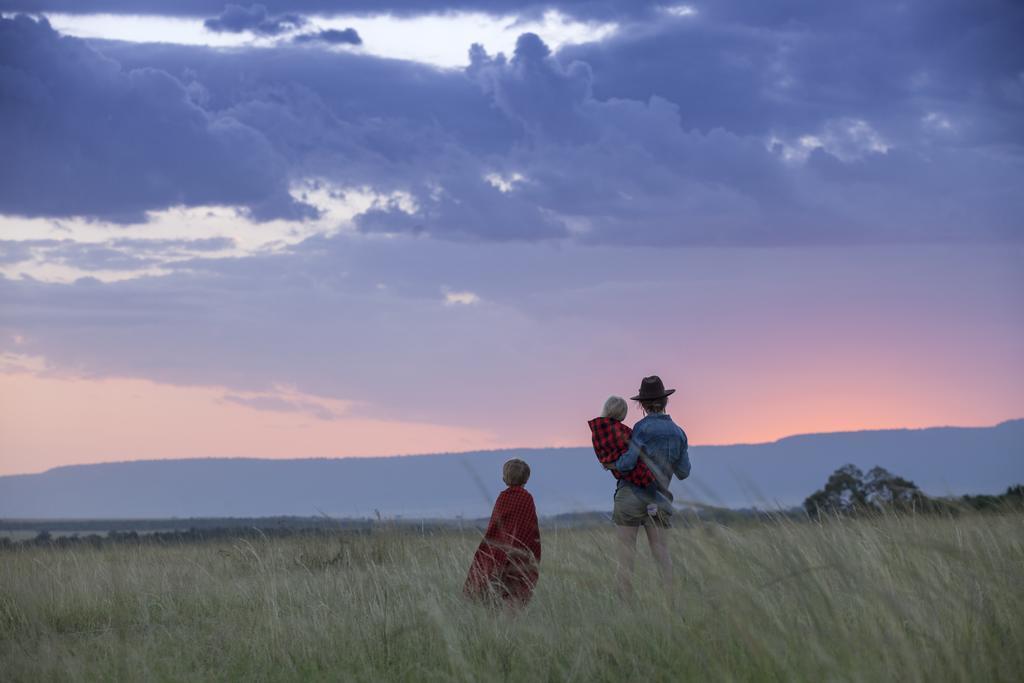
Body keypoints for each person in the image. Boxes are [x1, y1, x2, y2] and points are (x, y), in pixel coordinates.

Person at [610, 375, 690, 599]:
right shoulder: (679, 433)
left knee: (626, 558)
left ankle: (624, 610)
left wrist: (611, 465)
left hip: (631, 496)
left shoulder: (640, 429)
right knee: (662, 555)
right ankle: (670, 606)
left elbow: (627, 464)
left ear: (642, 405)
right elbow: (684, 473)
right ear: (665, 402)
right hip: (661, 499)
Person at [463, 458, 542, 608]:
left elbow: (494, 528)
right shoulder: (527, 498)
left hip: (497, 552)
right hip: (519, 553)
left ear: (504, 478)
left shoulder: (503, 497)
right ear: (527, 479)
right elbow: (531, 527)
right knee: (515, 591)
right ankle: (508, 621)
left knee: (495, 587)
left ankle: (495, 618)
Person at [587, 396, 657, 489]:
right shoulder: (622, 430)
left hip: (622, 478)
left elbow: (603, 460)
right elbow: (639, 448)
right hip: (641, 476)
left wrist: (611, 465)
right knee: (663, 498)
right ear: (622, 412)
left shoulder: (596, 433)